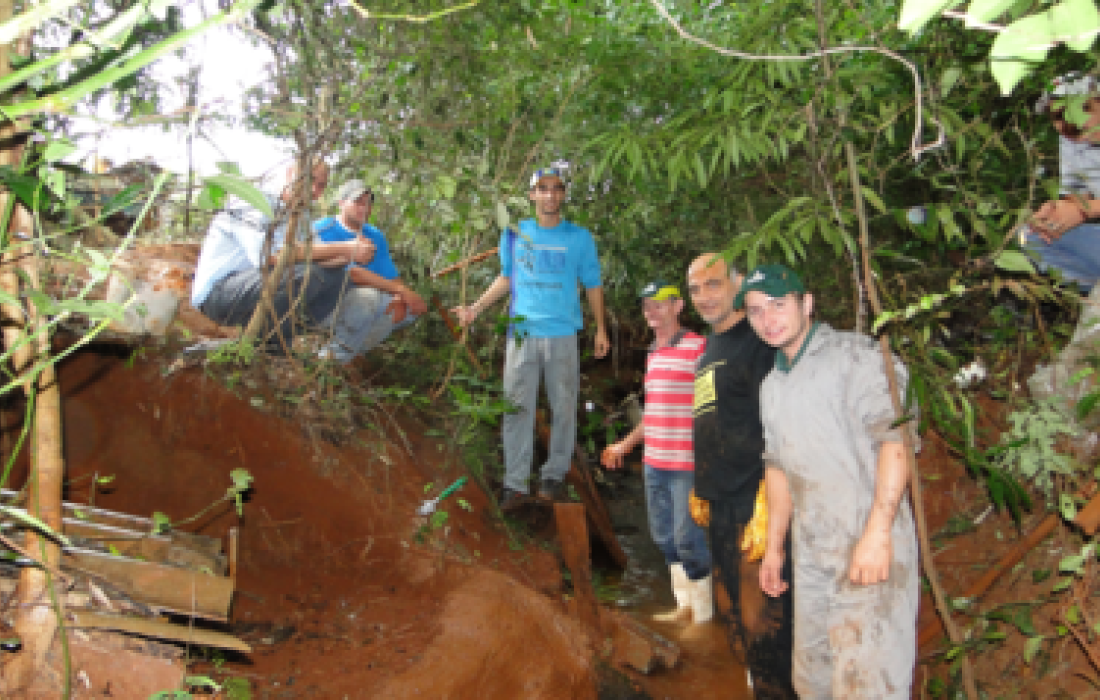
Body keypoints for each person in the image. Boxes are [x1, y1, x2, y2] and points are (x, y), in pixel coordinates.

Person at [742, 263, 919, 699]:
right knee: (813, 682)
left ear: (807, 304)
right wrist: (775, 547)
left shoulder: (856, 358)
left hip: (870, 545)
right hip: (813, 556)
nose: (768, 319)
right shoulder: (773, 386)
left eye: (778, 305)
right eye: (755, 311)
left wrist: (878, 533)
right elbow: (779, 468)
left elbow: (896, 441)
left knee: (867, 686)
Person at [452, 167, 609, 507]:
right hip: (521, 334)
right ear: (532, 194)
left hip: (563, 333)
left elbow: (592, 284)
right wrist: (475, 309)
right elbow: (506, 278)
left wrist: (601, 328)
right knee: (516, 408)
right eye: (543, 188)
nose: (550, 195)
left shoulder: (579, 238)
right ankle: (515, 483)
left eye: (556, 188)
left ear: (563, 195)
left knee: (564, 408)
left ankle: (553, 475)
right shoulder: (515, 233)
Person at [686, 254, 796, 699]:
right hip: (719, 503)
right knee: (732, 615)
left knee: (762, 620)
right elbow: (716, 420)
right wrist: (701, 484)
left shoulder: (758, 343)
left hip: (755, 502)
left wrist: (771, 504)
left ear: (736, 281)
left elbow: (782, 422)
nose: (704, 297)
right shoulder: (710, 349)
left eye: (713, 284)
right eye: (695, 289)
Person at [603, 279, 712, 626]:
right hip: (654, 463)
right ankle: (684, 608)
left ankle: (704, 618)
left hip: (686, 464)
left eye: (659, 303)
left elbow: (712, 407)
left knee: (688, 539)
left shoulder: (699, 348)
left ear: (678, 306)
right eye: (646, 305)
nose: (651, 310)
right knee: (664, 537)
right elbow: (653, 413)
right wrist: (624, 445)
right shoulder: (653, 353)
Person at [191, 161, 378, 356]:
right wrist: (344, 248)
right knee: (309, 273)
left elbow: (320, 254)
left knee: (340, 279)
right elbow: (270, 257)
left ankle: (274, 341)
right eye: (310, 180)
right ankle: (262, 340)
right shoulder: (252, 201)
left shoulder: (301, 214)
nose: (315, 190)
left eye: (322, 185)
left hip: (258, 288)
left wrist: (351, 255)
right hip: (220, 294)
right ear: (291, 174)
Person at [312, 179, 427, 361]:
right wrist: (401, 291)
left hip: (361, 303)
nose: (364, 208)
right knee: (368, 297)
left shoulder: (374, 235)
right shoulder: (322, 229)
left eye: (368, 203)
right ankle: (330, 359)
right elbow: (354, 274)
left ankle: (355, 352)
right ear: (341, 203)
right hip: (326, 305)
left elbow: (392, 276)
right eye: (357, 202)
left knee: (410, 308)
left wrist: (399, 297)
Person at [1026, 72, 1100, 290]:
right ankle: (1091, 296)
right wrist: (1059, 211)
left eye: (1082, 108)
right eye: (1058, 115)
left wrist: (1086, 210)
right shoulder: (1072, 138)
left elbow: (1088, 207)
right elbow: (1078, 193)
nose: (1070, 122)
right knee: (1030, 236)